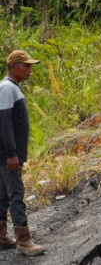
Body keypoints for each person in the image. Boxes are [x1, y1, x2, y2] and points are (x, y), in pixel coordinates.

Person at [0, 50, 45, 256]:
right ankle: (24, 241)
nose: (29, 70)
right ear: (13, 66)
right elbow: (5, 123)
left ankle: (1, 236)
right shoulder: (7, 88)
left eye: (30, 66)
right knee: (16, 196)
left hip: (5, 155)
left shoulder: (10, 88)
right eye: (25, 65)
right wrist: (11, 153)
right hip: (7, 156)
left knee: (2, 196)